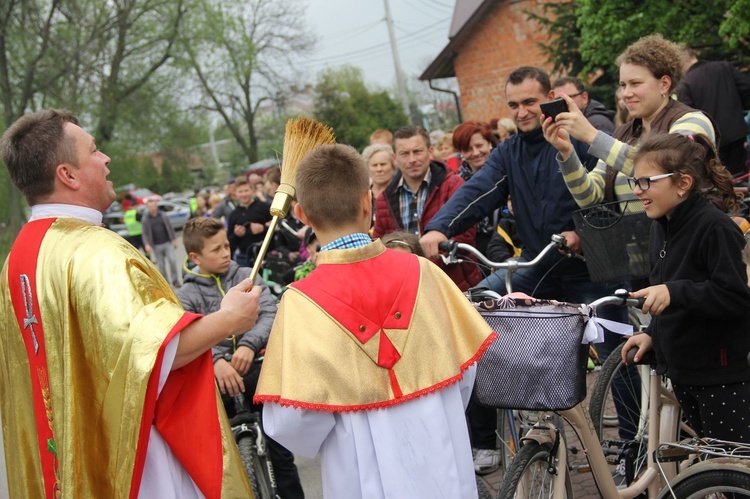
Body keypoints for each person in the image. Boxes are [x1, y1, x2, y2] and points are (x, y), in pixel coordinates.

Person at [0, 109, 261, 497]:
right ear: (67, 175)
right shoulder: (96, 250)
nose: (106, 159)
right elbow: (156, 354)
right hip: (133, 463)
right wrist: (228, 320)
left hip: (63, 463)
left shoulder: (14, 260)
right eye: (94, 150)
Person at [254, 143, 496, 499]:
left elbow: (293, 419)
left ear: (302, 215)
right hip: (441, 456)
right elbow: (464, 370)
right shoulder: (423, 272)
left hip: (356, 468)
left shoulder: (300, 303)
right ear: (368, 201)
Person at [622, 133, 750, 443]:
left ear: (683, 183)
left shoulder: (715, 227)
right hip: (683, 370)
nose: (639, 191)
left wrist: (673, 292)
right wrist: (653, 334)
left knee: (730, 473)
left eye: (647, 182)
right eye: (635, 182)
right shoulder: (659, 226)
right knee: (707, 465)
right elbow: (675, 298)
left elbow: (734, 297)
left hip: (720, 375)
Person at [176, 217, 305, 499]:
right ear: (194, 257)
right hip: (217, 383)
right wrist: (216, 360)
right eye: (216, 250)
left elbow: (270, 312)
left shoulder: (247, 274)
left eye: (226, 246)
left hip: (258, 372)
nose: (225, 253)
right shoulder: (186, 294)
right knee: (220, 459)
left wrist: (248, 344)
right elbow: (187, 334)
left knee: (280, 454)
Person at [543, 34, 716, 208]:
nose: (625, 93)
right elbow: (589, 197)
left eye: (635, 83)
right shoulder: (622, 135)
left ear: (664, 84)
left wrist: (592, 135)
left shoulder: (693, 121)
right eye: (623, 85)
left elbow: (664, 172)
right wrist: (567, 151)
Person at [372, 125, 482, 291]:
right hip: (408, 289)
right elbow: (379, 245)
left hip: (454, 286)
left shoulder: (453, 186)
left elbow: (466, 235)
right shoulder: (384, 199)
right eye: (404, 153)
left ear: (430, 152)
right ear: (395, 158)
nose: (412, 159)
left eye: (417, 151)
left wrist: (427, 260)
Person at [678, 46, 750, 175]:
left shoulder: (686, 83)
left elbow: (686, 117)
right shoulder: (724, 67)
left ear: (681, 61)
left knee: (720, 182)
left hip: (710, 143)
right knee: (741, 178)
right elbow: (746, 89)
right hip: (736, 134)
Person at [452, 120, 499, 255]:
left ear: (489, 143)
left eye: (479, 145)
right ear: (461, 152)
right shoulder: (457, 183)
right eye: (468, 149)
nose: (476, 153)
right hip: (476, 251)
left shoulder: (506, 172)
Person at [227, 176, 272, 267]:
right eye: (240, 191)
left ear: (252, 190)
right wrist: (236, 235)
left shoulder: (264, 207)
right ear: (235, 193)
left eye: (246, 191)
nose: (244, 194)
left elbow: (279, 225)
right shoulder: (233, 215)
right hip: (245, 258)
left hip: (267, 254)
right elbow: (229, 242)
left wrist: (263, 228)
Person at [141, 196, 181, 287]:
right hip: (156, 245)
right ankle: (166, 283)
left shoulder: (163, 215)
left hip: (167, 242)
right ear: (148, 207)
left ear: (156, 206)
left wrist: (174, 239)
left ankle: (175, 280)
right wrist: (147, 244)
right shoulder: (146, 219)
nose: (153, 208)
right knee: (161, 266)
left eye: (154, 206)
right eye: (150, 206)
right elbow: (145, 233)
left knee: (172, 260)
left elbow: (170, 228)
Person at [361, 143, 396, 219]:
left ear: (393, 167)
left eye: (383, 164)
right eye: (374, 165)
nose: (379, 169)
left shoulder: (400, 193)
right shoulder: (362, 196)